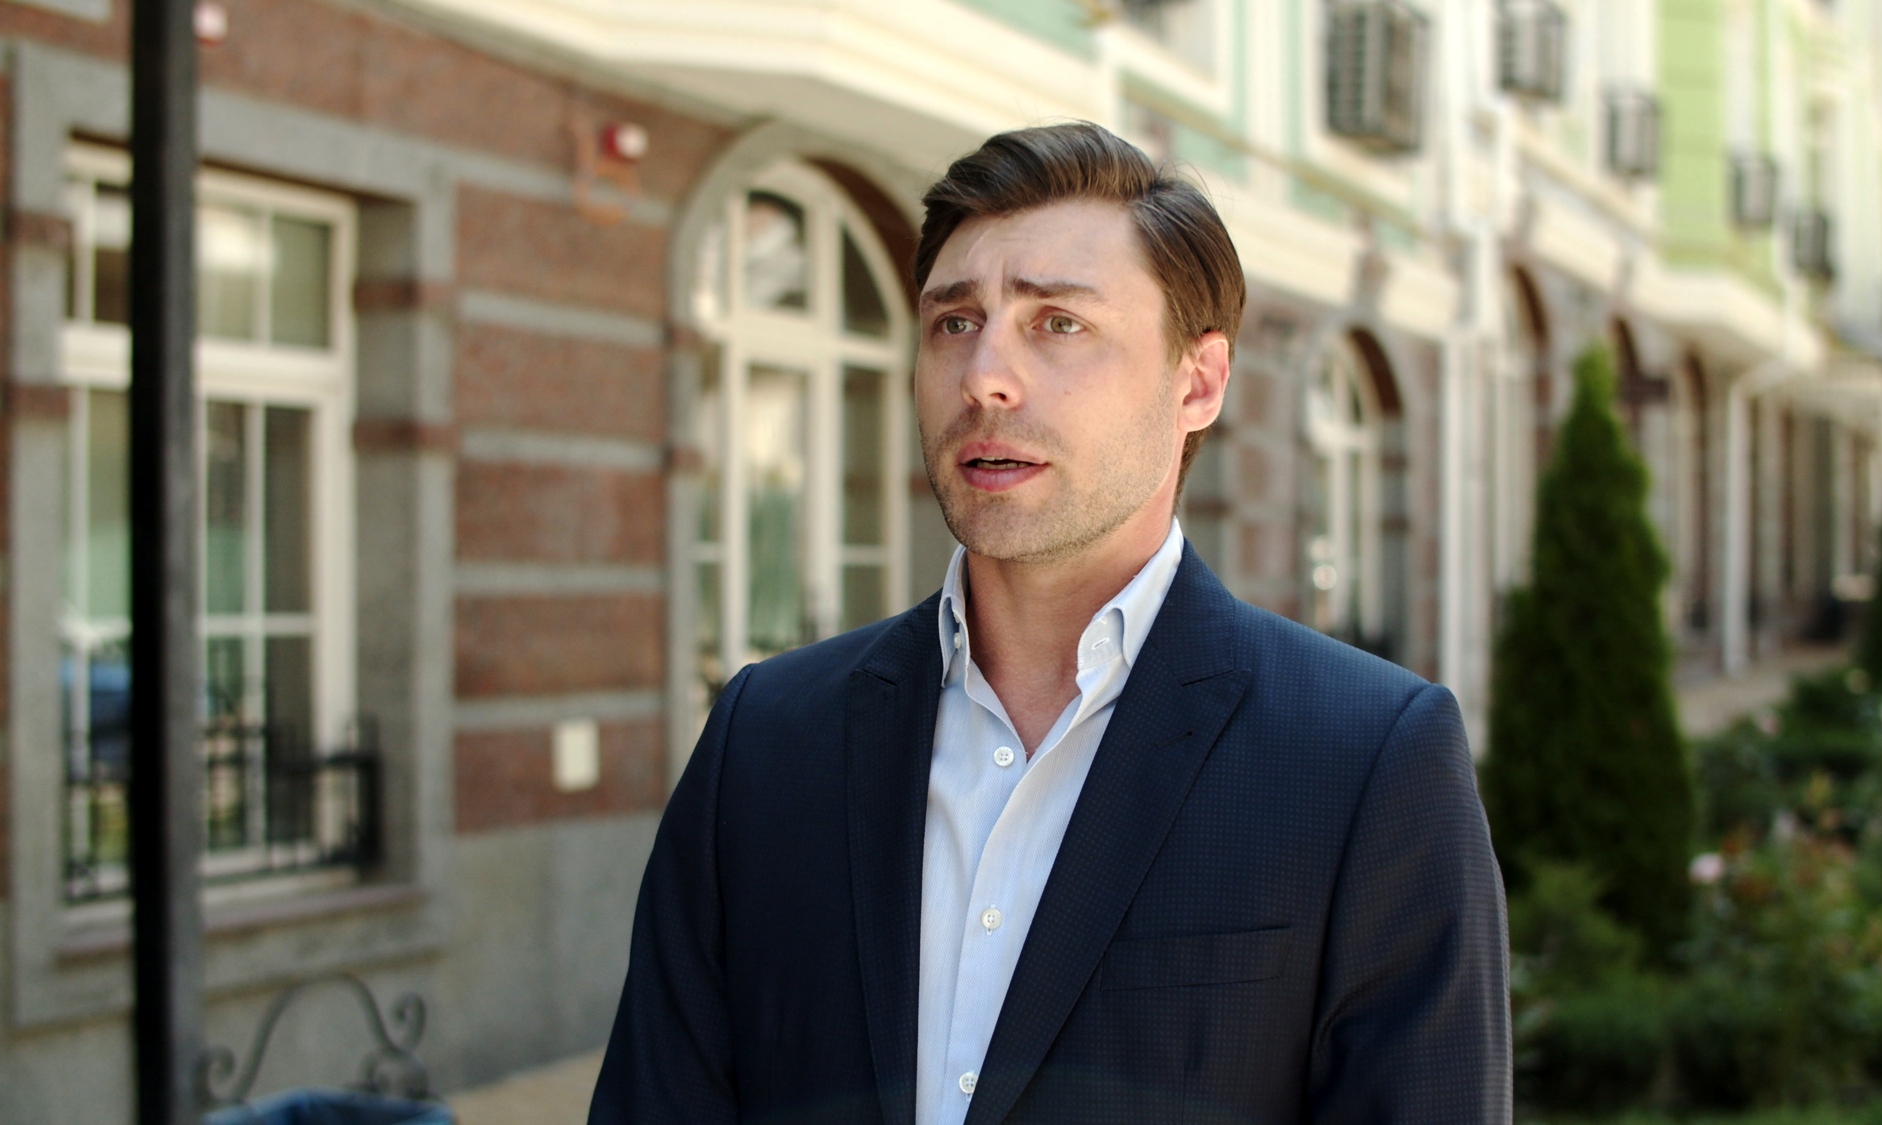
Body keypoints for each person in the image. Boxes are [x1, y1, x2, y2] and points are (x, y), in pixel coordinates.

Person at [589, 121, 1508, 1125]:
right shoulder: (764, 737)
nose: (985, 374)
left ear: (1196, 383)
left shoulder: (1364, 758)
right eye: (953, 322)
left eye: (1056, 324)